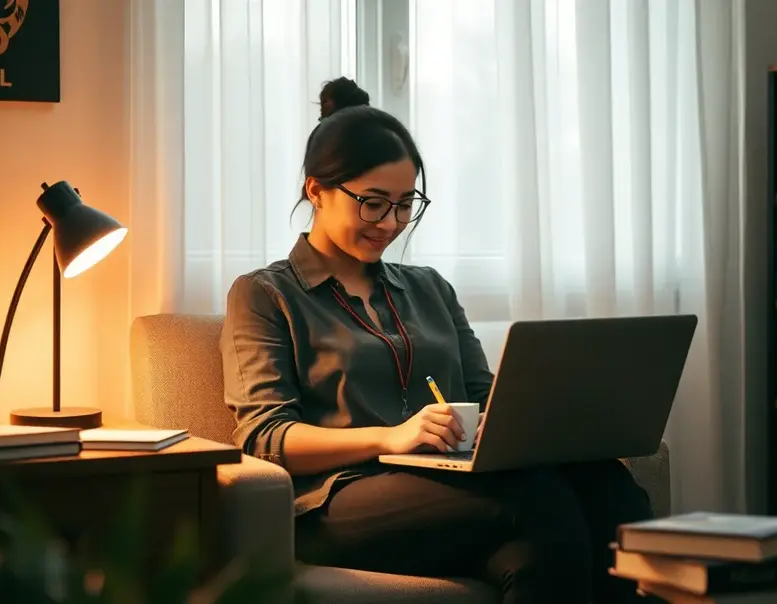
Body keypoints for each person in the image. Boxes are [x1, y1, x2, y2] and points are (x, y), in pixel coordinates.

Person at [220, 77, 655, 604]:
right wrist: (390, 437)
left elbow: (484, 390)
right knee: (536, 501)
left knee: (605, 490)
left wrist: (538, 423)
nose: (392, 223)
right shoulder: (265, 295)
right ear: (316, 190)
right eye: (373, 203)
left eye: (406, 204)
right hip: (334, 502)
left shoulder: (429, 288)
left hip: (453, 492)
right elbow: (264, 436)